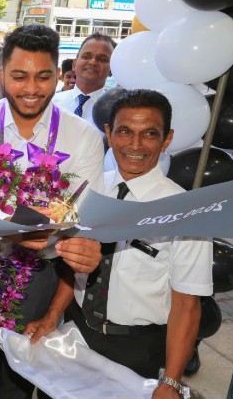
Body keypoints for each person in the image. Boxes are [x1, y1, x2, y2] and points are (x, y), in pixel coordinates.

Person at [0, 24, 105, 399]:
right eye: (19, 76)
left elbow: (81, 215)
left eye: (43, 77)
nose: (31, 88)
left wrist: (56, 234)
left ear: (59, 75)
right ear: (0, 74)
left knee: (18, 379)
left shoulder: (83, 136)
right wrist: (14, 227)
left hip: (40, 272)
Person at [25, 89, 212, 398]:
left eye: (149, 133)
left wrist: (171, 382)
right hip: (75, 335)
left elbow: (187, 305)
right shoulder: (87, 191)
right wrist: (51, 316)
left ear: (166, 139)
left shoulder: (186, 213)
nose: (135, 145)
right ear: (109, 134)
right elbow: (73, 264)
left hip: (137, 351)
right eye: (125, 131)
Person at [53, 34, 116, 124]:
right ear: (74, 64)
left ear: (112, 69)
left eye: (102, 59)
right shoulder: (52, 103)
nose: (93, 62)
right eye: (86, 57)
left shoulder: (116, 111)